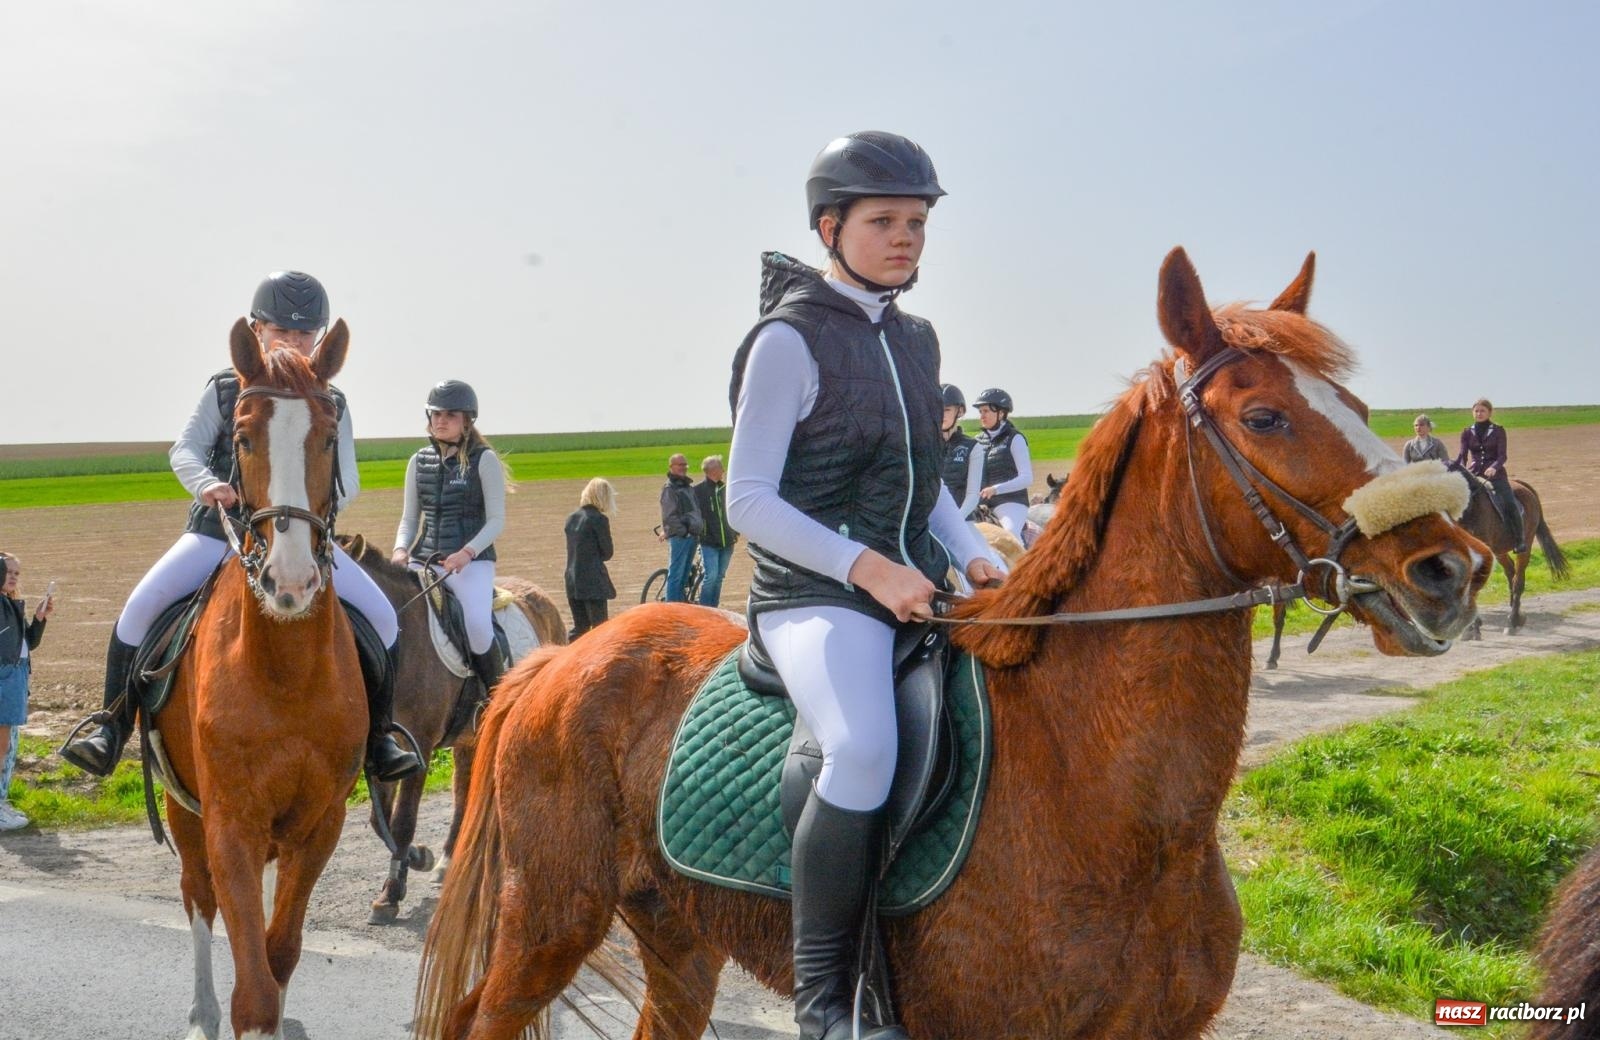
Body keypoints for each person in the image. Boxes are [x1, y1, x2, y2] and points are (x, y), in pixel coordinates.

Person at [725, 130, 1003, 1040]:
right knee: (864, 747)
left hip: (910, 584)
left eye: (918, 221)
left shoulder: (917, 341)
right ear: (830, 226)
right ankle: (827, 1007)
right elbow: (748, 501)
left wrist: (977, 556)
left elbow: (922, 492)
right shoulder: (786, 339)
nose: (906, 237)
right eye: (885, 220)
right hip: (813, 598)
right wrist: (866, 568)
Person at [61, 271, 421, 782]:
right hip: (217, 531)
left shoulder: (330, 400)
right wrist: (208, 484)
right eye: (282, 331)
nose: (293, 342)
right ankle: (111, 727)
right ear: (257, 330)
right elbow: (183, 450)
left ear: (319, 339)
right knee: (137, 611)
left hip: (300, 536)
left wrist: (301, 509)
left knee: (384, 619)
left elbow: (349, 479)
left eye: (304, 334)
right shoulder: (227, 388)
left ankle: (381, 737)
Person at [392, 380, 509, 690]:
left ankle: (496, 698)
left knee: (478, 627)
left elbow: (496, 520)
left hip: (472, 564)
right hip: (423, 560)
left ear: (467, 420)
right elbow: (409, 518)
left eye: (450, 415)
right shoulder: (417, 462)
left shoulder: (484, 460)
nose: (441, 421)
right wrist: (401, 550)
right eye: (436, 415)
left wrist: (467, 553)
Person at [0, 553, 52, 830]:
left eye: (17, 573)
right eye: (7, 571)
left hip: (17, 675)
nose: (12, 577)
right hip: (5, 676)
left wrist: (39, 618)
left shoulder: (10, 605)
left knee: (9, 747)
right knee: (2, 746)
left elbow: (27, 643)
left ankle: (2, 801)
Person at [1456, 397, 1525, 552]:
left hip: (1496, 475)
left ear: (1489, 412)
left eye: (1482, 411)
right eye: (1476, 411)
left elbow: (1502, 456)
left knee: (1510, 503)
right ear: (1472, 412)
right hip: (1473, 474)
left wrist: (1494, 467)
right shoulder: (1467, 432)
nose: (1479, 413)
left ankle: (1519, 540)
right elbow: (1462, 455)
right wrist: (1458, 467)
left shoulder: (1498, 430)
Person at [973, 387, 1034, 543]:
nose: (982, 416)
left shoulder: (1016, 439)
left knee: (1010, 536)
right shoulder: (976, 441)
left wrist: (996, 489)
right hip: (980, 503)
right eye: (980, 412)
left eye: (986, 411)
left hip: (1010, 502)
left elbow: (1027, 478)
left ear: (1001, 413)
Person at [563, 478, 617, 638]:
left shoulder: (571, 518)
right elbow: (607, 552)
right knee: (600, 629)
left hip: (572, 579)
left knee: (580, 629)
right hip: (593, 580)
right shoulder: (599, 519)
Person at [692, 455, 738, 607]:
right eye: (721, 467)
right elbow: (692, 514)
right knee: (710, 576)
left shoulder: (726, 489)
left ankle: (714, 608)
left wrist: (734, 532)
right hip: (708, 542)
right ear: (712, 471)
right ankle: (705, 610)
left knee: (719, 577)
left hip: (727, 542)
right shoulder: (697, 491)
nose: (724, 470)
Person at [658, 453, 704, 603]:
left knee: (684, 576)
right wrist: (684, 532)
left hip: (692, 536)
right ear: (671, 467)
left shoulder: (687, 487)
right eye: (680, 465)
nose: (683, 468)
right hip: (681, 537)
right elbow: (669, 516)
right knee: (676, 575)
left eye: (685, 465)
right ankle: (672, 610)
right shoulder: (669, 489)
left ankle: (680, 607)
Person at [938, 383, 984, 519]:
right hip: (926, 521)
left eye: (946, 410)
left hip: (961, 518)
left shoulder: (973, 447)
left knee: (975, 542)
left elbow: (972, 495)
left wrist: (956, 520)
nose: (941, 415)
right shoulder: (923, 444)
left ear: (960, 411)